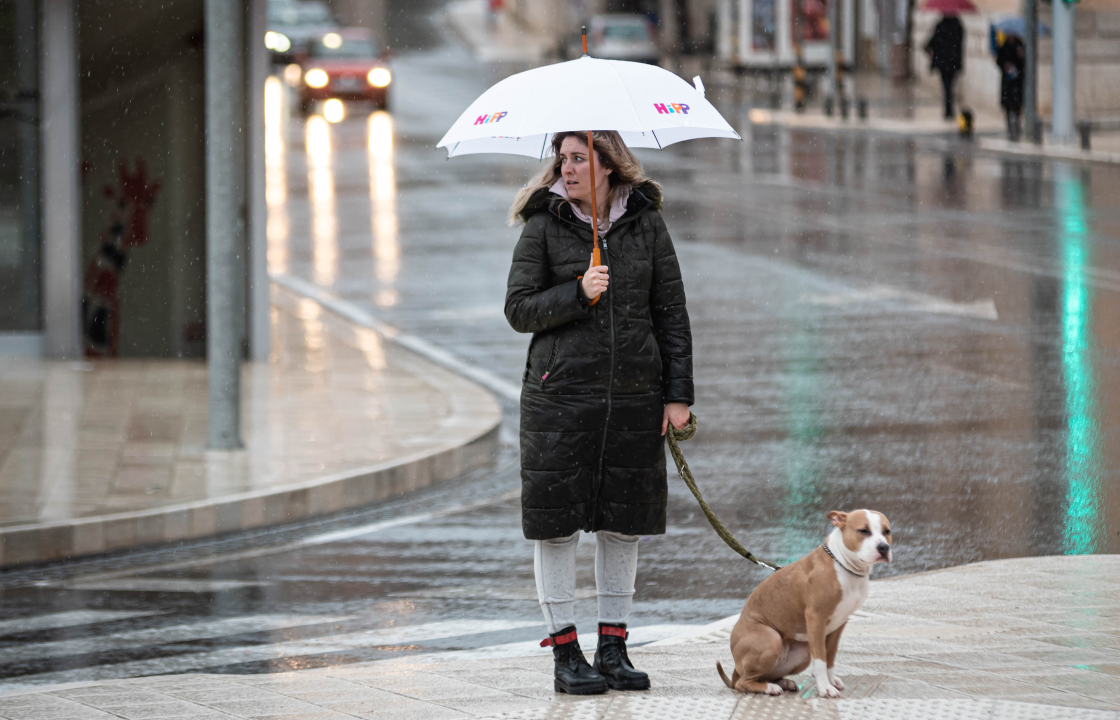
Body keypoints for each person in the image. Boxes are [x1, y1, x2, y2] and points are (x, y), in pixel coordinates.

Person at [505, 130, 693, 695]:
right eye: (562, 159)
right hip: (560, 399)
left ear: (608, 165)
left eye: (579, 158)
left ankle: (613, 648)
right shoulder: (542, 225)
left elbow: (672, 312)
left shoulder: (646, 224)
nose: (566, 168)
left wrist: (677, 396)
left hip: (634, 398)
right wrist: (577, 292)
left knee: (623, 524)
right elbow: (518, 309)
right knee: (557, 528)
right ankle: (566, 654)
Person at [924, 14, 965, 119]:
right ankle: (949, 108)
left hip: (943, 62)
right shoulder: (958, 26)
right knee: (950, 85)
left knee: (946, 86)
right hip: (954, 62)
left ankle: (948, 109)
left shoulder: (940, 26)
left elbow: (930, 44)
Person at [995, 33, 1025, 141]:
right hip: (1007, 81)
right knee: (1007, 105)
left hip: (1017, 81)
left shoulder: (1020, 46)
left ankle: (1016, 125)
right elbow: (999, 60)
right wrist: (1005, 65)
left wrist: (1021, 56)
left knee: (1017, 105)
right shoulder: (1004, 46)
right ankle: (1009, 127)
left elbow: (1024, 63)